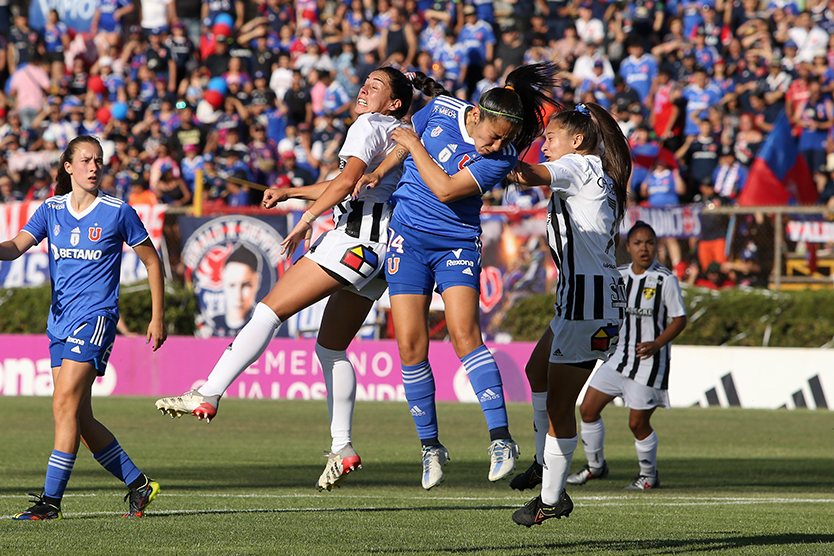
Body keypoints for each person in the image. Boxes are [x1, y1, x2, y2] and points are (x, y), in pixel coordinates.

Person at [154, 67, 412, 492]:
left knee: (267, 312)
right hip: (379, 254)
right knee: (330, 349)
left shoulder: (367, 123)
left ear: (394, 102)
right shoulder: (397, 133)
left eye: (377, 86)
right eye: (365, 82)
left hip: (349, 242)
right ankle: (342, 446)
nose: (366, 88)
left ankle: (210, 392)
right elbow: (347, 185)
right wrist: (293, 192)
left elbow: (347, 182)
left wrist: (306, 219)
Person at [358, 63, 556, 490]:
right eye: (495, 134)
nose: (499, 144)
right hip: (407, 239)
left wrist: (413, 142)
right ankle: (431, 447)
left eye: (506, 139)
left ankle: (501, 440)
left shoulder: (500, 159)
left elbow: (446, 188)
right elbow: (405, 145)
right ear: (477, 115)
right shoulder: (444, 108)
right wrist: (382, 167)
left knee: (465, 336)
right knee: (410, 345)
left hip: (455, 244)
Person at [0, 135, 166, 519]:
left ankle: (50, 503)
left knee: (62, 404)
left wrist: (157, 316)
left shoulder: (118, 211)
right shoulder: (51, 209)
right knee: (78, 419)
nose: (94, 167)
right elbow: (19, 244)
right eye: (86, 160)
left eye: (99, 161)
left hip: (95, 318)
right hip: (59, 323)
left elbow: (152, 261)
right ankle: (139, 484)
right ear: (68, 166)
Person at [505, 102, 632, 526]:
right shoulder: (591, 168)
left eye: (550, 138)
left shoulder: (578, 166)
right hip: (578, 299)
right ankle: (545, 465)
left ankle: (551, 498)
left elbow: (523, 174)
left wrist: (489, 143)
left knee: (562, 404)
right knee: (536, 371)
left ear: (576, 142)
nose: (544, 145)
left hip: (589, 303)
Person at [566, 221, 687, 491]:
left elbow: (680, 319)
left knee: (637, 423)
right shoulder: (618, 276)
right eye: (638, 243)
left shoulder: (665, 280)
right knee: (587, 410)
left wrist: (657, 343)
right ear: (628, 247)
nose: (644, 248)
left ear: (656, 246)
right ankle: (596, 467)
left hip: (649, 362)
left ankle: (648, 476)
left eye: (650, 242)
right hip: (618, 358)